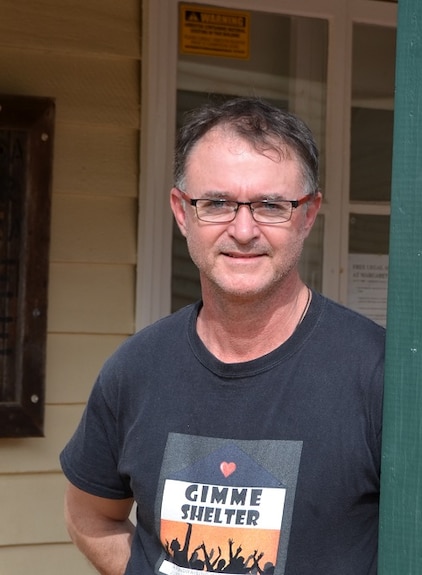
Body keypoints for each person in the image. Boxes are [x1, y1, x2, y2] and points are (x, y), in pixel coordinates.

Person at [60, 97, 385, 575]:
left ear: (309, 214)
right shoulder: (136, 370)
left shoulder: (377, 373)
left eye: (272, 205)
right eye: (217, 203)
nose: (243, 230)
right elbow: (90, 515)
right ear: (181, 211)